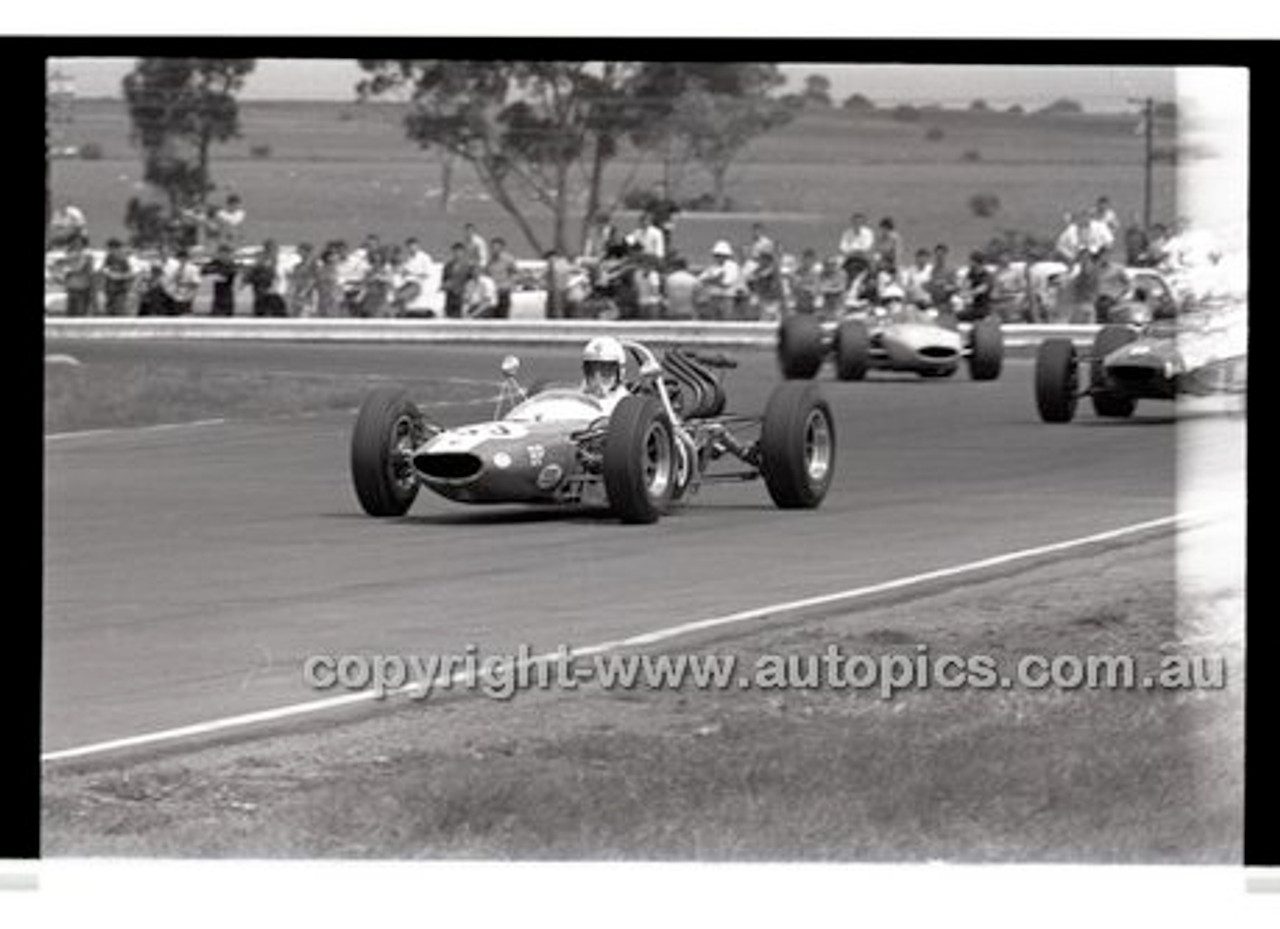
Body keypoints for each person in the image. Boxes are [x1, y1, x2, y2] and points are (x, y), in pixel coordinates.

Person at [579, 336, 630, 412]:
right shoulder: (578, 399)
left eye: (609, 369)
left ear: (620, 373)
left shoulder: (627, 405)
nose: (598, 376)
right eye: (593, 370)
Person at [697, 240, 742, 321]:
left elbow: (726, 283)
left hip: (727, 299)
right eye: (716, 255)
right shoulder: (713, 267)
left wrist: (711, 280)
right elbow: (701, 279)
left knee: (727, 322)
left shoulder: (732, 266)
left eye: (719, 255)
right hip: (713, 298)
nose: (717, 257)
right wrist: (715, 279)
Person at [60, 235, 96, 316]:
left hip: (82, 290)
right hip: (71, 289)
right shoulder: (69, 254)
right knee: (70, 315)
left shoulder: (86, 255)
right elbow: (61, 269)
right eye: (73, 242)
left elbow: (78, 268)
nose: (75, 244)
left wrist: (67, 267)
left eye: (77, 242)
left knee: (80, 315)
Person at [201, 242, 239, 316]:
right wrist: (214, 270)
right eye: (221, 253)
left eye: (225, 253)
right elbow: (204, 270)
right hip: (217, 296)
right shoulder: (215, 263)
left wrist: (215, 271)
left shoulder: (231, 264)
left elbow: (228, 274)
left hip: (227, 297)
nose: (223, 256)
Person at [100, 238, 136, 317]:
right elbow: (103, 270)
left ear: (116, 248)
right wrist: (107, 273)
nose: (109, 251)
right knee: (109, 312)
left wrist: (119, 276)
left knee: (119, 312)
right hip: (109, 290)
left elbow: (131, 274)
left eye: (111, 249)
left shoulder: (124, 259)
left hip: (120, 291)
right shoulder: (109, 257)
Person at [486, 237, 520, 319]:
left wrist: (510, 284)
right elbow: (487, 275)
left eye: (496, 247)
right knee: (492, 317)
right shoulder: (489, 261)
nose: (494, 249)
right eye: (492, 247)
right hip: (492, 293)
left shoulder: (508, 259)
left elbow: (516, 273)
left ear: (502, 248)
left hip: (503, 292)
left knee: (503, 317)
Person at [838, 212, 875, 279]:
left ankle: (872, 280)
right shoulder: (847, 233)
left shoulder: (868, 233)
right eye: (855, 222)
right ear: (852, 222)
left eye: (859, 222)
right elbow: (842, 247)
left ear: (863, 223)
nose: (857, 224)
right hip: (849, 257)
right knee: (838, 265)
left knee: (873, 266)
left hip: (864, 257)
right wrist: (856, 250)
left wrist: (852, 250)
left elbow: (867, 248)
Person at [958, 251, 992, 321]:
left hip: (983, 307)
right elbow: (965, 286)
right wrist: (963, 292)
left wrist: (969, 293)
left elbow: (982, 289)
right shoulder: (971, 273)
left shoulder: (986, 275)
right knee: (959, 314)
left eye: (970, 261)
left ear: (976, 262)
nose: (969, 263)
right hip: (972, 306)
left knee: (961, 315)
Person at [662, 256, 699, 321]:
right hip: (688, 313)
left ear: (675, 266)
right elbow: (698, 299)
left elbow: (666, 296)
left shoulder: (669, 279)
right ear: (686, 266)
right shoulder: (693, 279)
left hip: (673, 313)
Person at [441, 242, 470, 319]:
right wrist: (445, 285)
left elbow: (470, 282)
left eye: (459, 251)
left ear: (463, 253)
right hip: (450, 296)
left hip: (461, 295)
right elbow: (444, 279)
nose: (457, 254)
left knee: (459, 317)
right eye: (455, 251)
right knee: (448, 316)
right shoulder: (448, 266)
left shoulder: (468, 266)